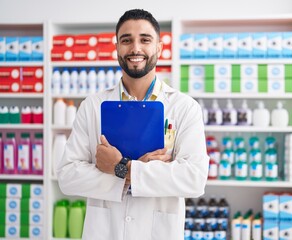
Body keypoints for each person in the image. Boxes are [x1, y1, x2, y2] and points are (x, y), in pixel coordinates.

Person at [56, 9, 209, 240]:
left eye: (145, 40)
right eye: (126, 40)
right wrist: (142, 172)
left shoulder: (185, 107)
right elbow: (67, 176)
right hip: (105, 232)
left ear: (159, 47)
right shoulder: (93, 105)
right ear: (117, 47)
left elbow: (194, 179)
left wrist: (121, 167)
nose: (135, 48)